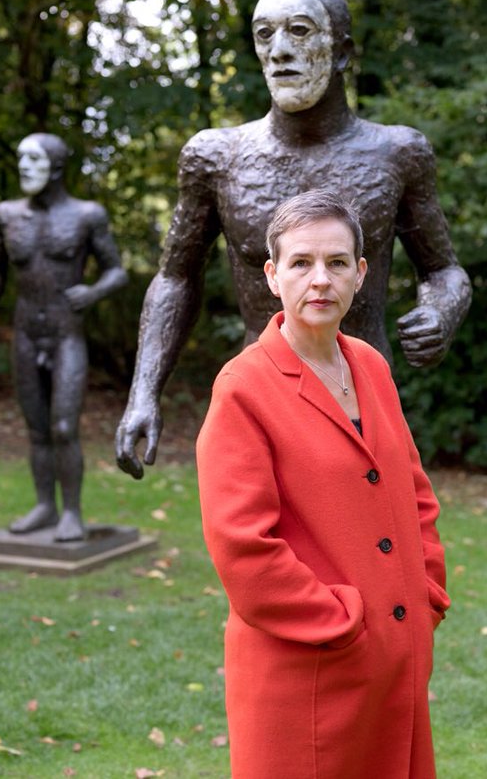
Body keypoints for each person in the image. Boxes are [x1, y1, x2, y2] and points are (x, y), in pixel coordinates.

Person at [116, 0, 470, 479]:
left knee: (366, 543)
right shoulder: (216, 158)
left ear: (342, 52)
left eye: (299, 31)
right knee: (255, 543)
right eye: (265, 35)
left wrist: (440, 313)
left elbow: (444, 270)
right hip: (257, 398)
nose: (280, 50)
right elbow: (175, 278)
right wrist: (143, 392)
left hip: (362, 397)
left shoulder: (396, 154)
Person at [196, 189, 449, 778]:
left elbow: (413, 492)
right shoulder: (242, 388)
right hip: (307, 673)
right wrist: (340, 622)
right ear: (271, 274)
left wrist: (425, 592)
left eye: (337, 263)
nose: (320, 280)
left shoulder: (370, 365)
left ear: (361, 274)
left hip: (393, 662)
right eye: (301, 263)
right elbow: (243, 547)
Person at [0, 132, 126, 542]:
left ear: (55, 167)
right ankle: (44, 507)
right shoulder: (6, 215)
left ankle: (72, 513)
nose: (24, 168)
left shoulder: (87, 215)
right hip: (27, 332)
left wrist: (94, 291)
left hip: (66, 332)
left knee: (64, 425)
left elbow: (116, 271)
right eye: (20, 160)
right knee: (36, 428)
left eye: (33, 160)